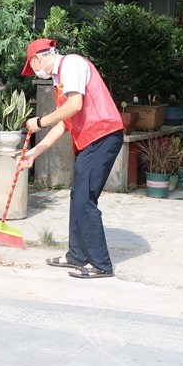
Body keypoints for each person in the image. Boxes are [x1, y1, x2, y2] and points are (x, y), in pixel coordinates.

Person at [19, 39, 124, 279]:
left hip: (103, 134)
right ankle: (76, 254)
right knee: (78, 196)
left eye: (33, 67)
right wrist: (35, 152)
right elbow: (64, 124)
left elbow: (75, 105)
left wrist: (39, 121)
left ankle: (101, 264)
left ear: (37, 59)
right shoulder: (59, 80)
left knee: (85, 199)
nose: (36, 72)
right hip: (90, 141)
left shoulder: (72, 64)